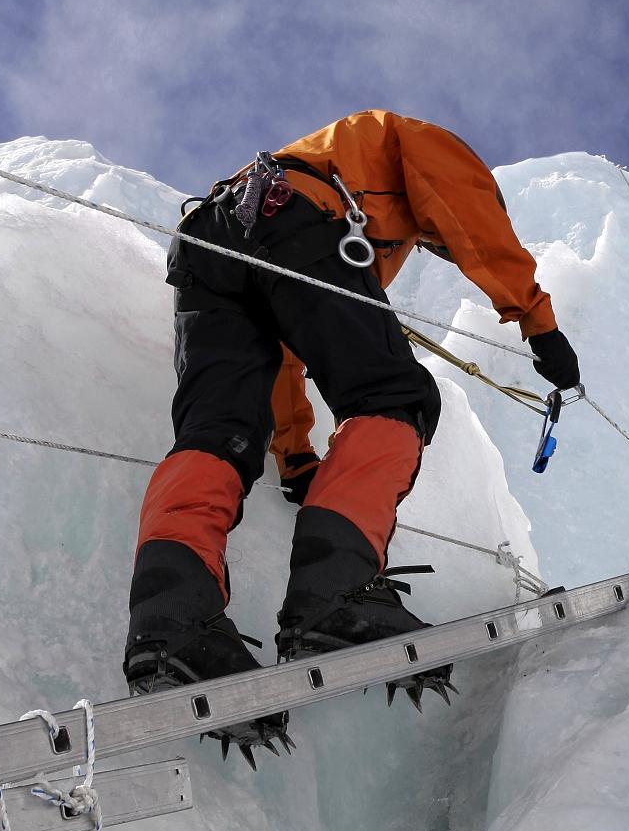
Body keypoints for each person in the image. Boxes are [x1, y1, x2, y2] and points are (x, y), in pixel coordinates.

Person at [126, 111, 580, 757]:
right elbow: (468, 214)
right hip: (291, 213)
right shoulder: (423, 150)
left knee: (217, 432)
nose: (438, 248)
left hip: (208, 245)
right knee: (394, 396)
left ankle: (173, 620)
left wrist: (295, 458)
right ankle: (334, 596)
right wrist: (538, 323)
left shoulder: (351, 212)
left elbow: (287, 356)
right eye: (438, 246)